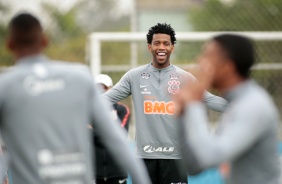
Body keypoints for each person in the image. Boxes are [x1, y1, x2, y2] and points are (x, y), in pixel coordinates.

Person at [0, 12, 151, 184]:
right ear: (44, 41)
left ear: (9, 44)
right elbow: (116, 139)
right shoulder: (79, 78)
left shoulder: (5, 87)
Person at [102, 23, 227, 184]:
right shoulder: (134, 76)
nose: (161, 47)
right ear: (149, 47)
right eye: (157, 43)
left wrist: (238, 106)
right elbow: (105, 99)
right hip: (144, 157)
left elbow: (209, 99)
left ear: (172, 48)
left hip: (175, 157)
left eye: (166, 43)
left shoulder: (185, 77)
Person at [174, 34, 280, 184]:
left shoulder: (253, 104)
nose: (199, 61)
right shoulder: (236, 102)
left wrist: (194, 102)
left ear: (227, 67)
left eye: (207, 55)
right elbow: (193, 166)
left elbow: (209, 157)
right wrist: (181, 114)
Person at [94, 74, 130, 184]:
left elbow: (119, 136)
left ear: (111, 89)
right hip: (94, 172)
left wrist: (94, 130)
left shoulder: (122, 109)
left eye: (104, 87)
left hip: (117, 171)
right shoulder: (87, 110)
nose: (101, 91)